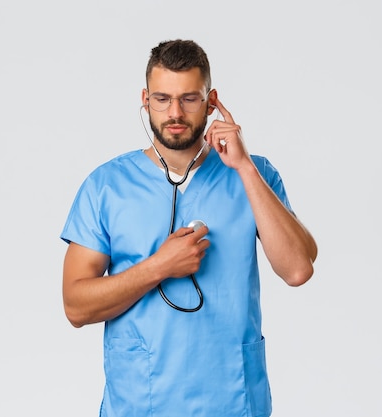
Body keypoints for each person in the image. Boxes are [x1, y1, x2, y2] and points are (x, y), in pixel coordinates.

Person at [60, 39, 318, 417]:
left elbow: (298, 269)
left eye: (189, 99)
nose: (175, 112)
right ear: (145, 100)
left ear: (212, 102)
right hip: (141, 402)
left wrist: (244, 167)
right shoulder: (106, 186)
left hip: (233, 400)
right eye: (162, 99)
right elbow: (75, 307)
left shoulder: (256, 175)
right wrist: (159, 266)